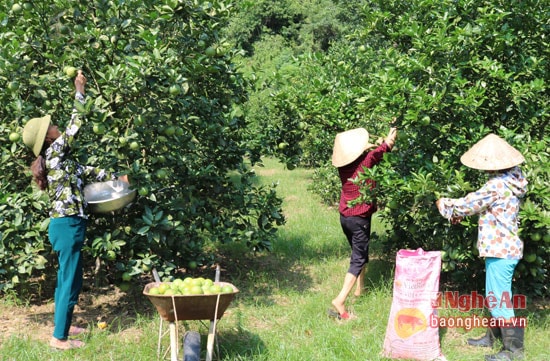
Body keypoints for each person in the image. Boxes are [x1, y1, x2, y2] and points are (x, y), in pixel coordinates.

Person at [22, 70, 127, 350]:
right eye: (53, 126)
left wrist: (117, 177)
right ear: (48, 138)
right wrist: (79, 91)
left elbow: (88, 170)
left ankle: (64, 325)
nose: (57, 126)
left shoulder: (62, 161)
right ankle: (59, 338)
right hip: (66, 225)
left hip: (70, 225)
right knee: (68, 281)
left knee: (71, 279)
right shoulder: (55, 153)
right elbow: (75, 126)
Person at [435, 133, 527, 361]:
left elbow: (469, 203)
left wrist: (445, 205)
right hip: (502, 248)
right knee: (494, 295)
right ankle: (492, 337)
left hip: (501, 250)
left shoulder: (496, 185)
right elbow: (488, 207)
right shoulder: (512, 180)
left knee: (499, 299)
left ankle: (514, 351)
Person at [329, 126, 397, 320]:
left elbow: (368, 151)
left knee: (359, 253)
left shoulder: (344, 167)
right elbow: (384, 147)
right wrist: (390, 136)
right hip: (359, 219)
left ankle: (361, 289)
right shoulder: (367, 161)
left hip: (345, 217)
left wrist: (375, 145)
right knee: (358, 259)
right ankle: (340, 300)